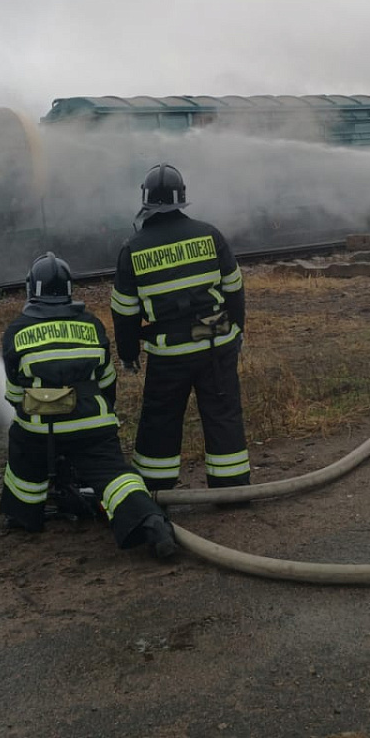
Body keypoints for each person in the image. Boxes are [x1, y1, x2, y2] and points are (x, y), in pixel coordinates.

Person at [0, 251, 177, 558]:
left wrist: (34, 419)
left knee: (23, 449)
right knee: (114, 474)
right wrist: (97, 417)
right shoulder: (92, 326)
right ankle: (150, 521)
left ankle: (24, 516)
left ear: (32, 290)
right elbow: (107, 383)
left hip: (40, 429)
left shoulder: (16, 332)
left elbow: (15, 395)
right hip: (92, 425)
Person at [110, 164, 249, 494]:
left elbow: (125, 313)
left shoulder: (134, 249)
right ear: (182, 199)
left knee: (161, 419)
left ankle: (156, 491)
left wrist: (129, 356)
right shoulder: (210, 235)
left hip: (169, 350)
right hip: (215, 339)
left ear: (146, 202)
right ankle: (232, 488)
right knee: (223, 413)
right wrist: (237, 331)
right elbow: (234, 289)